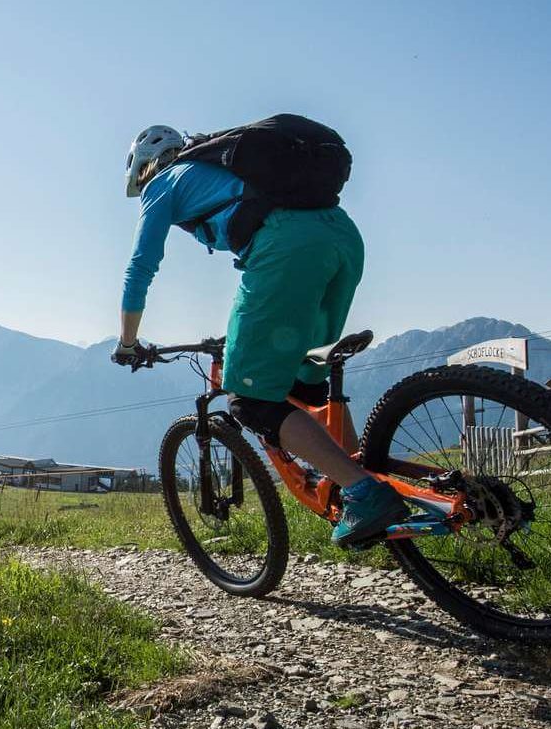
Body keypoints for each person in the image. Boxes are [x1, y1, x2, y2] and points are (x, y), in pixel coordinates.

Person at [113, 123, 408, 547]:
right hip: (342, 238)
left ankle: (364, 492)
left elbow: (140, 267)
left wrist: (127, 343)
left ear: (143, 169)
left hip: (288, 248)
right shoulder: (220, 168)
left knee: (250, 400)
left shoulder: (163, 183)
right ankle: (364, 481)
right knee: (304, 386)